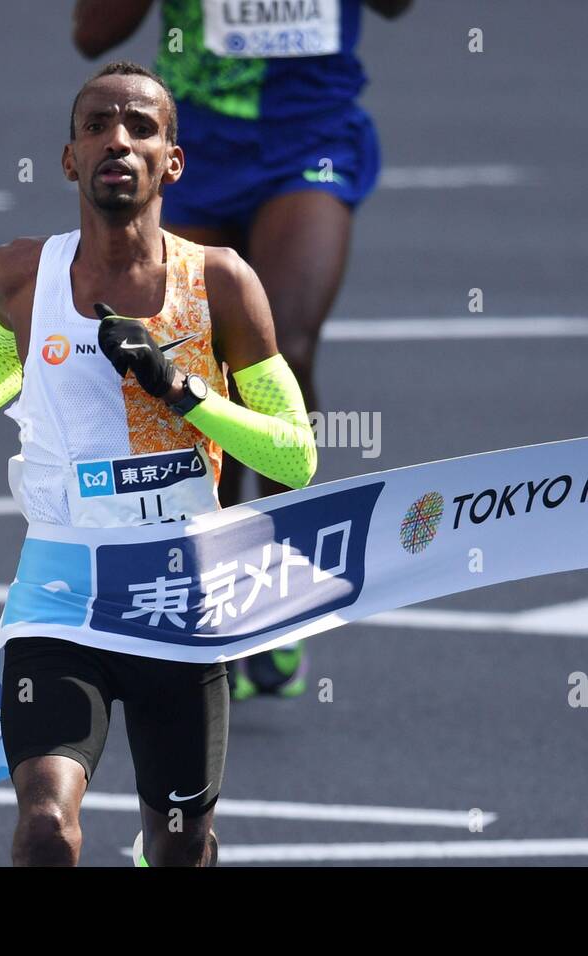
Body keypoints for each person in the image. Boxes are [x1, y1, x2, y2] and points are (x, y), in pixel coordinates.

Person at [0, 61, 317, 866]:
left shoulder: (221, 283)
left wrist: (179, 389)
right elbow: (4, 352)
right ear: (69, 159)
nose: (116, 140)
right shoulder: (20, 272)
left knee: (180, 844)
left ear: (173, 161)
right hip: (61, 592)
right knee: (46, 827)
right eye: (96, 127)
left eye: (141, 127)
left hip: (180, 599)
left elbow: (295, 457)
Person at [71, 0, 412, 699]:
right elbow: (93, 35)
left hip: (309, 133)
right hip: (196, 136)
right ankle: (214, 574)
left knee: (280, 347)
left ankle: (283, 578)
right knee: (196, 361)